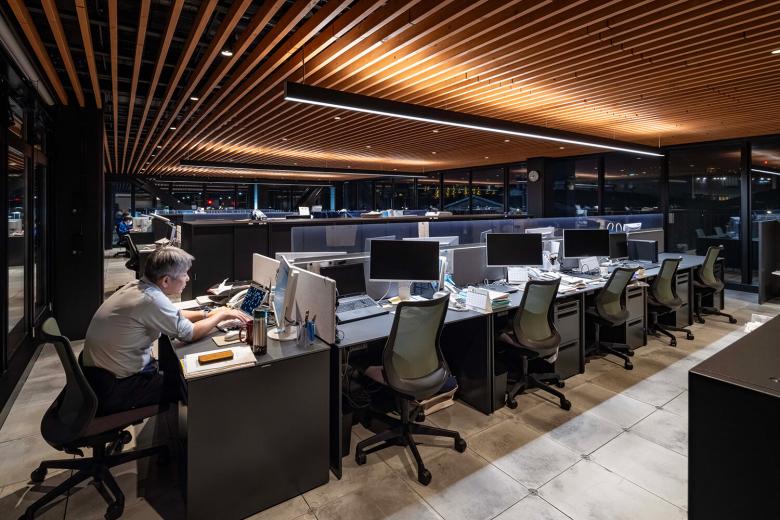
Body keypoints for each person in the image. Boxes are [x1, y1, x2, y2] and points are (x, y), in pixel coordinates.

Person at [82, 246, 249, 415]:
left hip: (98, 377)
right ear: (166, 281)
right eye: (184, 274)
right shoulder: (151, 300)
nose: (188, 278)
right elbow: (189, 334)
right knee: (195, 384)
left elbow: (171, 313)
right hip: (116, 388)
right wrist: (222, 315)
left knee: (174, 367)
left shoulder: (138, 287)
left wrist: (205, 314)